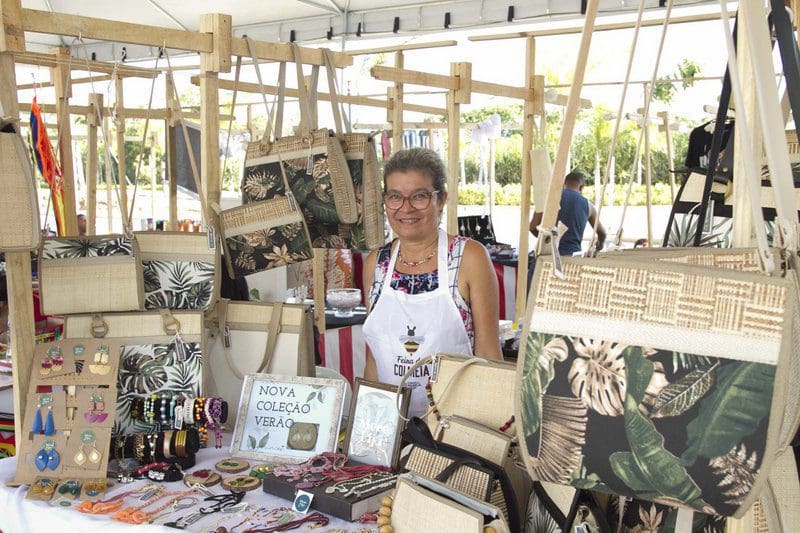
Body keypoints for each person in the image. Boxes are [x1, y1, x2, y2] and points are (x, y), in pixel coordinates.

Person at [362, 148, 502, 417]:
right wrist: (370, 426)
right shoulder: (376, 263)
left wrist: (481, 429)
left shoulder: (468, 257)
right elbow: (374, 357)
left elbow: (488, 352)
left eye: (419, 196)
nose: (406, 208)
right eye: (394, 197)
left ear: (442, 199)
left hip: (452, 426)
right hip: (390, 425)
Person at [529, 170, 606, 256]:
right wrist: (599, 246)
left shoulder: (548, 198)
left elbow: (532, 227)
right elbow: (602, 233)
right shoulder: (589, 206)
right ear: (581, 187)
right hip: (572, 257)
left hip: (546, 255)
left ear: (564, 183)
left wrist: (546, 241)